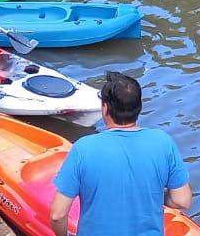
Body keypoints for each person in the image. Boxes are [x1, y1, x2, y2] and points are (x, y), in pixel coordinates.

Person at [50, 73, 192, 236]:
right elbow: (182, 200)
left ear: (105, 108)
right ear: (139, 107)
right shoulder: (163, 142)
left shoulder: (84, 148)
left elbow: (57, 215)